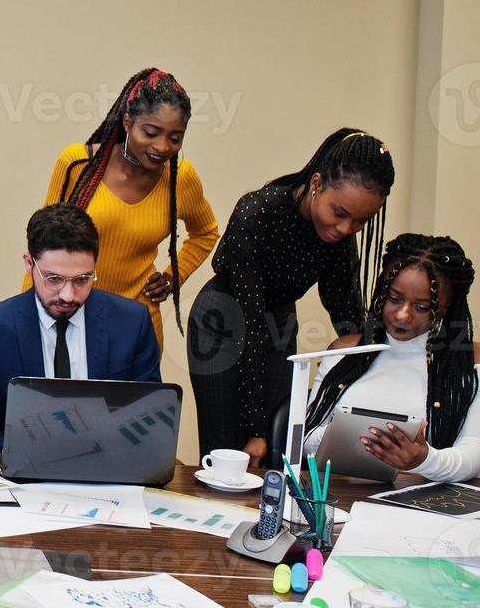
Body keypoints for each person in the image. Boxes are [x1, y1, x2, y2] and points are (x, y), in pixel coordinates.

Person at [187, 128, 395, 464]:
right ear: (316, 183)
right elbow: (250, 323)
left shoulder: (338, 236)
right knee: (228, 453)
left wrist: (369, 360)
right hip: (222, 322)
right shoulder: (256, 213)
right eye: (339, 213)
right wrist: (254, 430)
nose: (345, 229)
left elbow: (348, 315)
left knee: (278, 446)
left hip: (279, 324)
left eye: (360, 222)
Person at [32, 68, 219, 348]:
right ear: (128, 121)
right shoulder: (79, 165)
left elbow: (206, 233)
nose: (162, 146)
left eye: (175, 138)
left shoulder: (181, 178)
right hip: (69, 314)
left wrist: (171, 278)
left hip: (136, 323)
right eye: (151, 132)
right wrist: (30, 315)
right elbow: (42, 248)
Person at [0, 203, 162, 454]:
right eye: (53, 279)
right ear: (29, 264)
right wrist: (29, 456)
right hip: (24, 475)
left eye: (82, 280)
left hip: (111, 471)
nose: (68, 295)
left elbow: (151, 419)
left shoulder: (132, 322)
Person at [304, 233, 478, 482]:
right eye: (394, 298)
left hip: (421, 506)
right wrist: (342, 434)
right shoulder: (345, 352)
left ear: (446, 307)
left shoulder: (469, 365)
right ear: (381, 291)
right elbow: (305, 441)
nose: (402, 315)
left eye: (422, 307)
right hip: (338, 496)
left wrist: (424, 459)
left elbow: (472, 456)